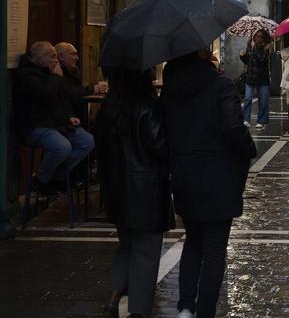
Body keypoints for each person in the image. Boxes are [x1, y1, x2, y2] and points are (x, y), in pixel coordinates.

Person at [161, 48, 257, 318]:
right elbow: (233, 129)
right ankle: (204, 311)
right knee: (214, 248)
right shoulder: (220, 85)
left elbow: (164, 128)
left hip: (184, 173)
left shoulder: (170, 88)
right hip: (219, 174)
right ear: (204, 55)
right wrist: (250, 149)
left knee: (193, 241)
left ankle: (186, 307)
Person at [95, 68, 173, 318]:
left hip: (116, 191)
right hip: (145, 191)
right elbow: (161, 147)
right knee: (146, 253)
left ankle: (114, 298)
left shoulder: (107, 109)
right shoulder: (147, 108)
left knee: (126, 247)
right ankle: (139, 310)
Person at [14, 41, 94, 194]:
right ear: (38, 60)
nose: (56, 60)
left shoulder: (50, 73)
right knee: (62, 147)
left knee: (88, 141)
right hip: (35, 125)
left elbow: (62, 99)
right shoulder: (27, 76)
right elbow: (46, 95)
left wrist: (70, 116)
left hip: (57, 123)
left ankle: (57, 176)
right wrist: (56, 78)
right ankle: (41, 180)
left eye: (56, 56)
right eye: (51, 57)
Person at [55, 42, 109, 123]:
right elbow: (72, 94)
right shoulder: (57, 74)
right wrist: (93, 89)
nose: (77, 58)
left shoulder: (72, 72)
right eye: (73, 54)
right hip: (67, 120)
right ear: (61, 56)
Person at [239, 29, 272, 130]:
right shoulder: (250, 45)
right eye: (257, 36)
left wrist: (255, 49)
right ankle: (246, 119)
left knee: (263, 101)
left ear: (264, 38)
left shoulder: (266, 48)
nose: (258, 38)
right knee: (248, 98)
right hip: (250, 78)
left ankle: (261, 121)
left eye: (261, 36)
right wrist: (242, 56)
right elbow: (248, 61)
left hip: (262, 79)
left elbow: (261, 60)